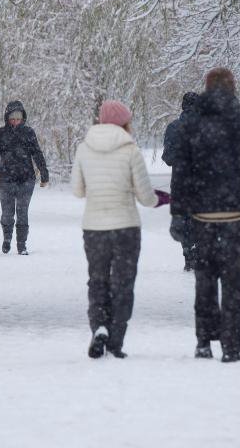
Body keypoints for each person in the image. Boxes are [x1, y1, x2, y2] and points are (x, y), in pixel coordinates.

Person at [169, 67, 240, 363]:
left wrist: (178, 213)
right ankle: (232, 345)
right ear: (233, 88)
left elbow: (182, 173)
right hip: (236, 216)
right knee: (235, 283)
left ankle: (204, 340)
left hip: (203, 218)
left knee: (205, 280)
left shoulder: (193, 125)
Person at [70, 100, 159, 359]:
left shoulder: (84, 148)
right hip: (126, 228)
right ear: (124, 123)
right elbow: (146, 196)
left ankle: (99, 327)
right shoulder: (130, 149)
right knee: (123, 283)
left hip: (94, 228)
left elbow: (77, 190)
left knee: (98, 280)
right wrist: (159, 199)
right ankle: (116, 340)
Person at [0, 101, 50, 255]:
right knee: (7, 213)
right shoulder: (0, 134)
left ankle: (21, 244)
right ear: (7, 118)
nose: (15, 121)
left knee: (23, 212)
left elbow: (37, 153)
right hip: (5, 180)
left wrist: (44, 173)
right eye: (12, 118)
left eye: (18, 118)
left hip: (26, 179)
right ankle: (7, 238)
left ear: (23, 118)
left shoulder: (28, 132)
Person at [161, 91, 198, 271]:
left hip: (181, 182)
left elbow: (168, 158)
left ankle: (188, 255)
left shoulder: (173, 128)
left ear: (183, 107)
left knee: (185, 220)